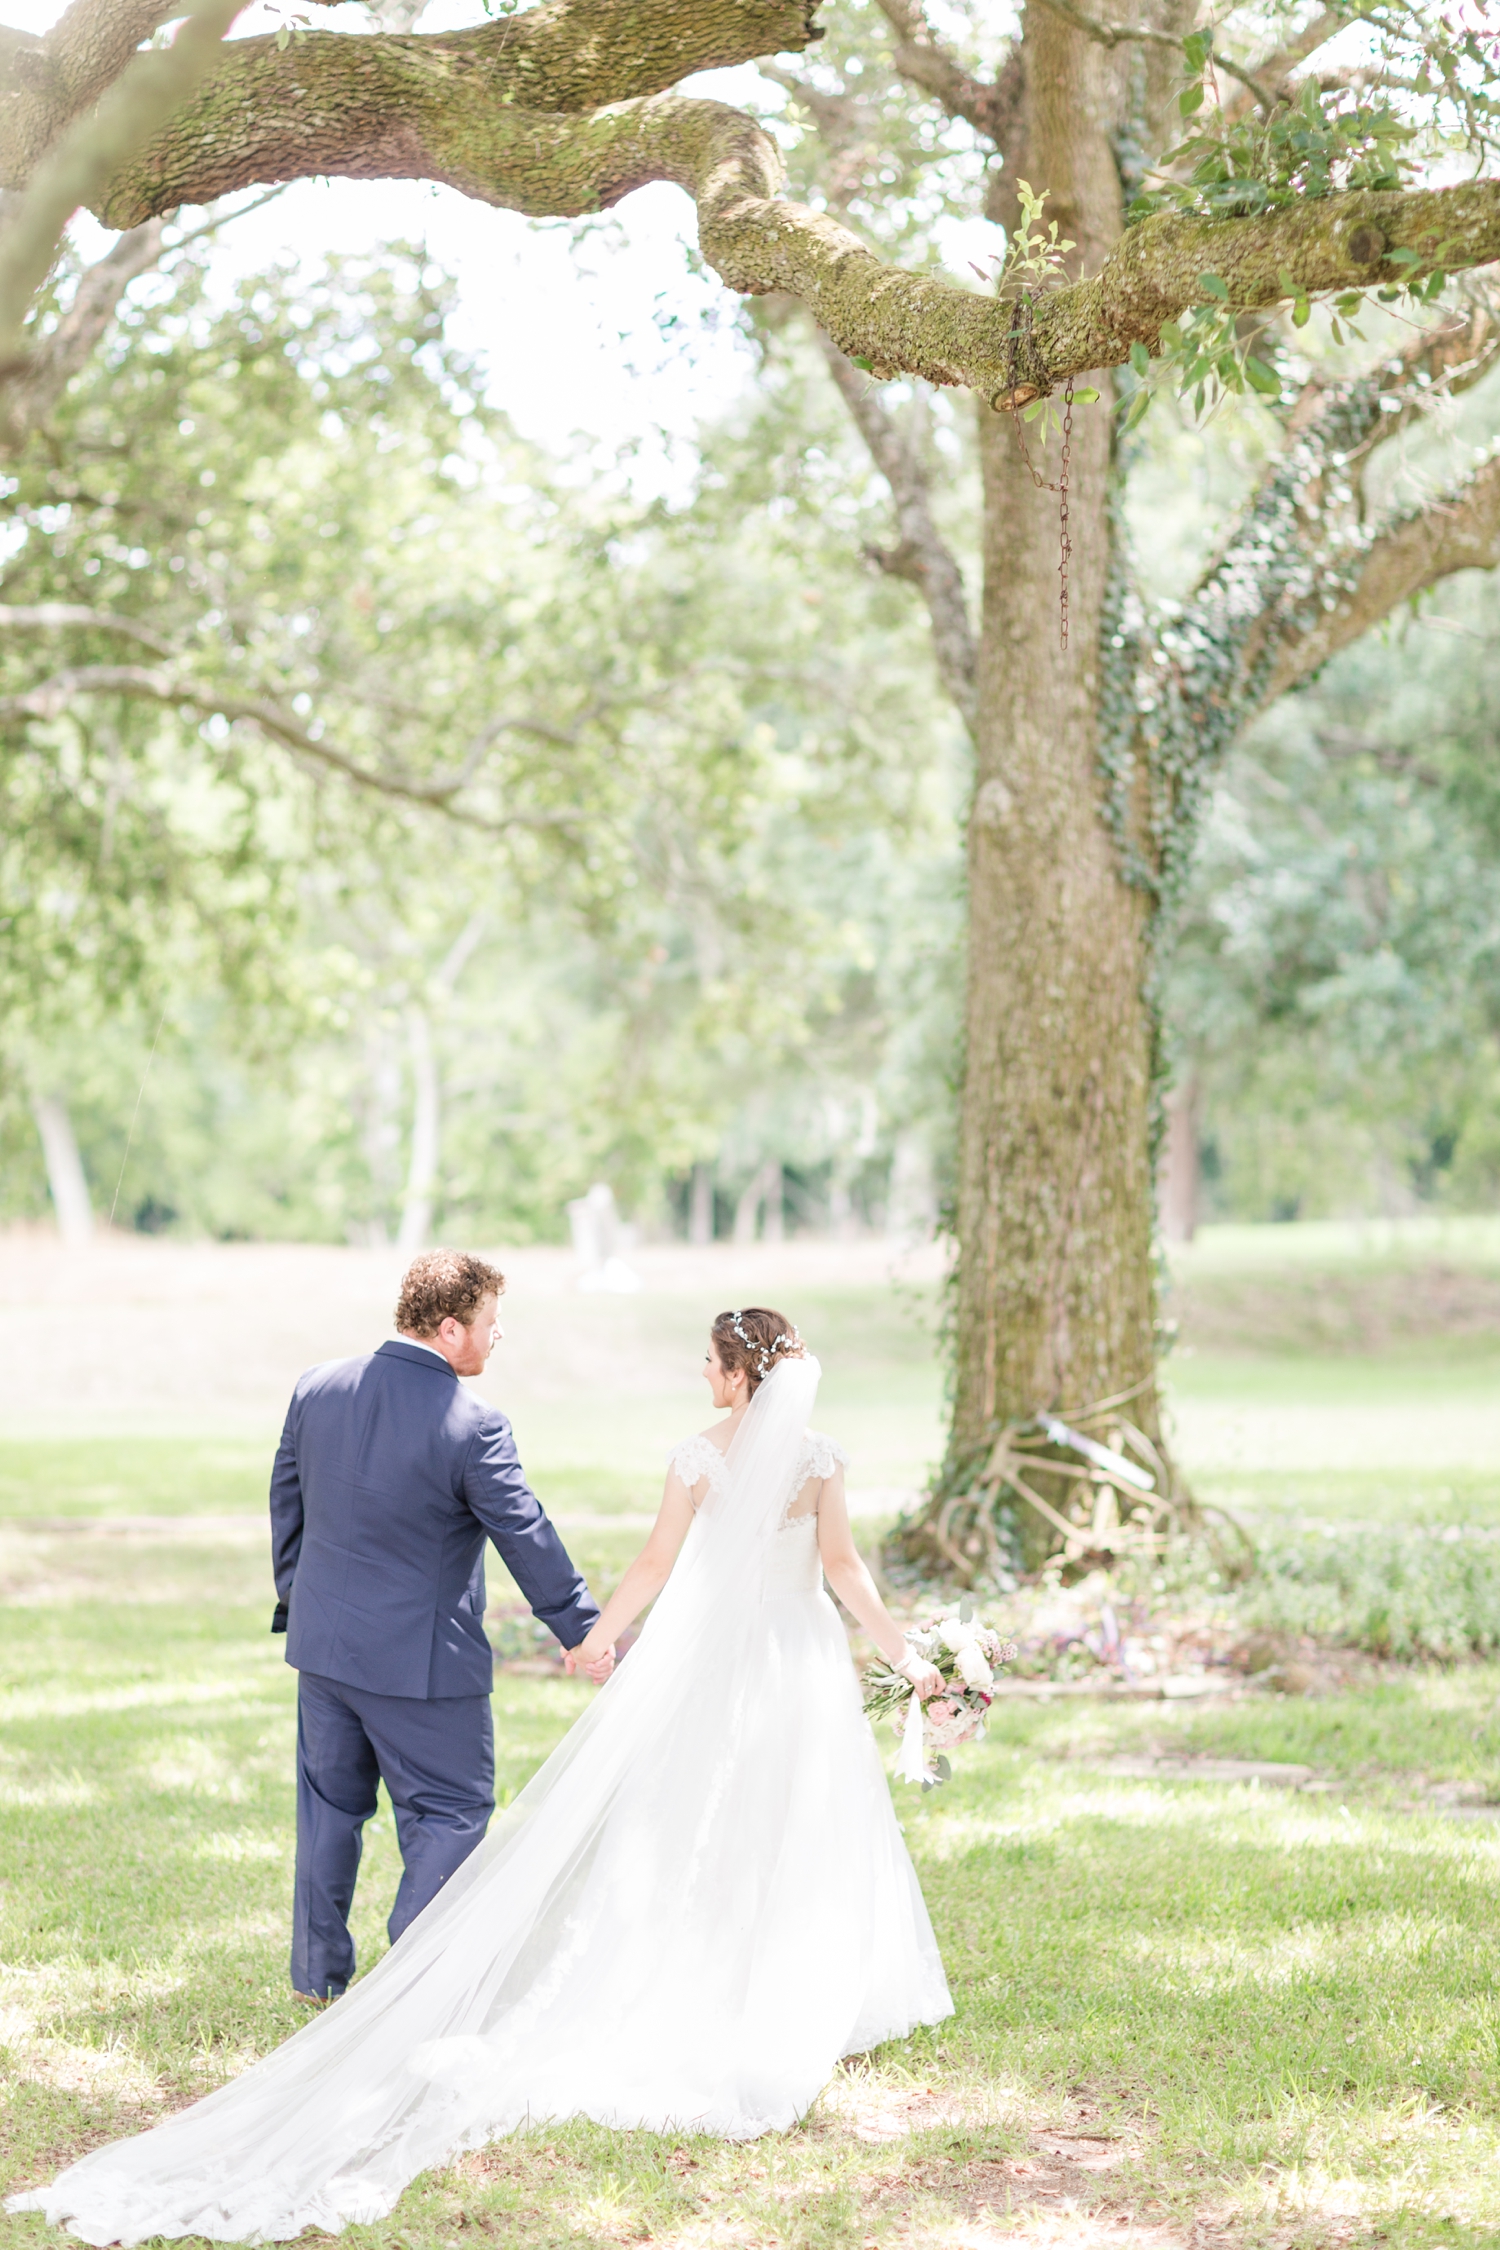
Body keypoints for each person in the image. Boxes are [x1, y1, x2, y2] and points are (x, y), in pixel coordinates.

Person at [10, 1308, 951, 2246]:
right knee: (794, 1812)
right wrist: (909, 1660)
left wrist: (598, 1637)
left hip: (693, 1661)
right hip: (796, 1657)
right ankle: (789, 1981)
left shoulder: (696, 1458)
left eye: (710, 1363)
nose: (702, 1375)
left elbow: (659, 1562)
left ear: (742, 1376)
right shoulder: (821, 1460)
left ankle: (346, 1972)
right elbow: (844, 1570)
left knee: (684, 1816)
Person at [269, 1248, 606, 2002]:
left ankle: (316, 1981)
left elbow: (286, 1509)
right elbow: (526, 1533)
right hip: (422, 1667)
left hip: (322, 1649)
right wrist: (582, 1628)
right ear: (451, 1327)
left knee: (328, 1814)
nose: (495, 1339)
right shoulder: (473, 1425)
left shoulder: (316, 1389)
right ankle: (409, 1991)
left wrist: (305, 1603)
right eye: (491, 1324)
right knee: (450, 1814)